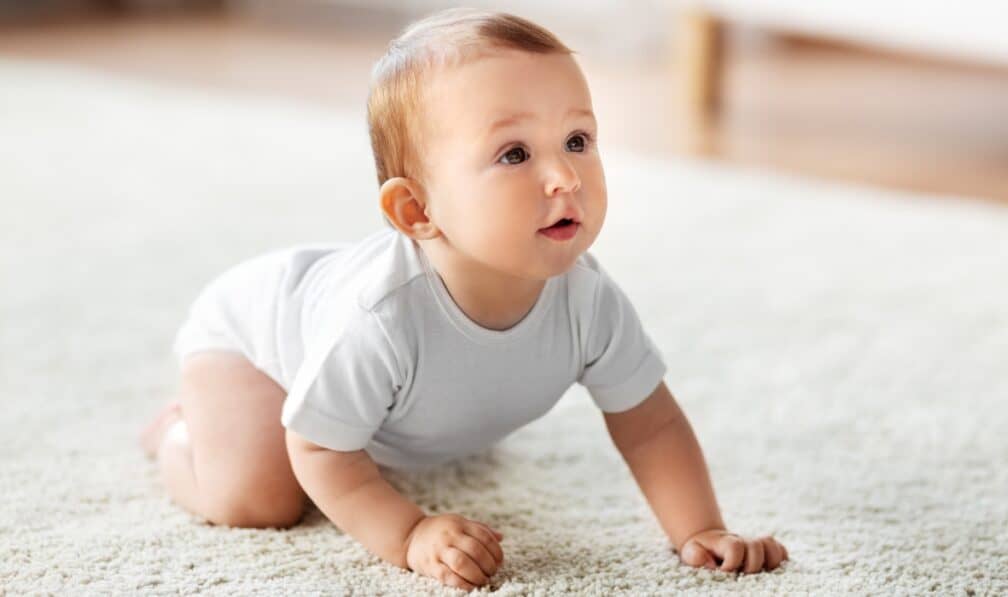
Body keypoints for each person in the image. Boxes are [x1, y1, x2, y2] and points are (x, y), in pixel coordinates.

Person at [140, 8, 789, 592]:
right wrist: (410, 533)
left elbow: (652, 425)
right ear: (418, 210)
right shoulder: (380, 320)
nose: (565, 175)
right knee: (259, 497)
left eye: (578, 140)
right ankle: (176, 428)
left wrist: (699, 527)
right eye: (514, 153)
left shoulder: (589, 300)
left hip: (376, 381)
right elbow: (319, 449)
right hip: (254, 343)